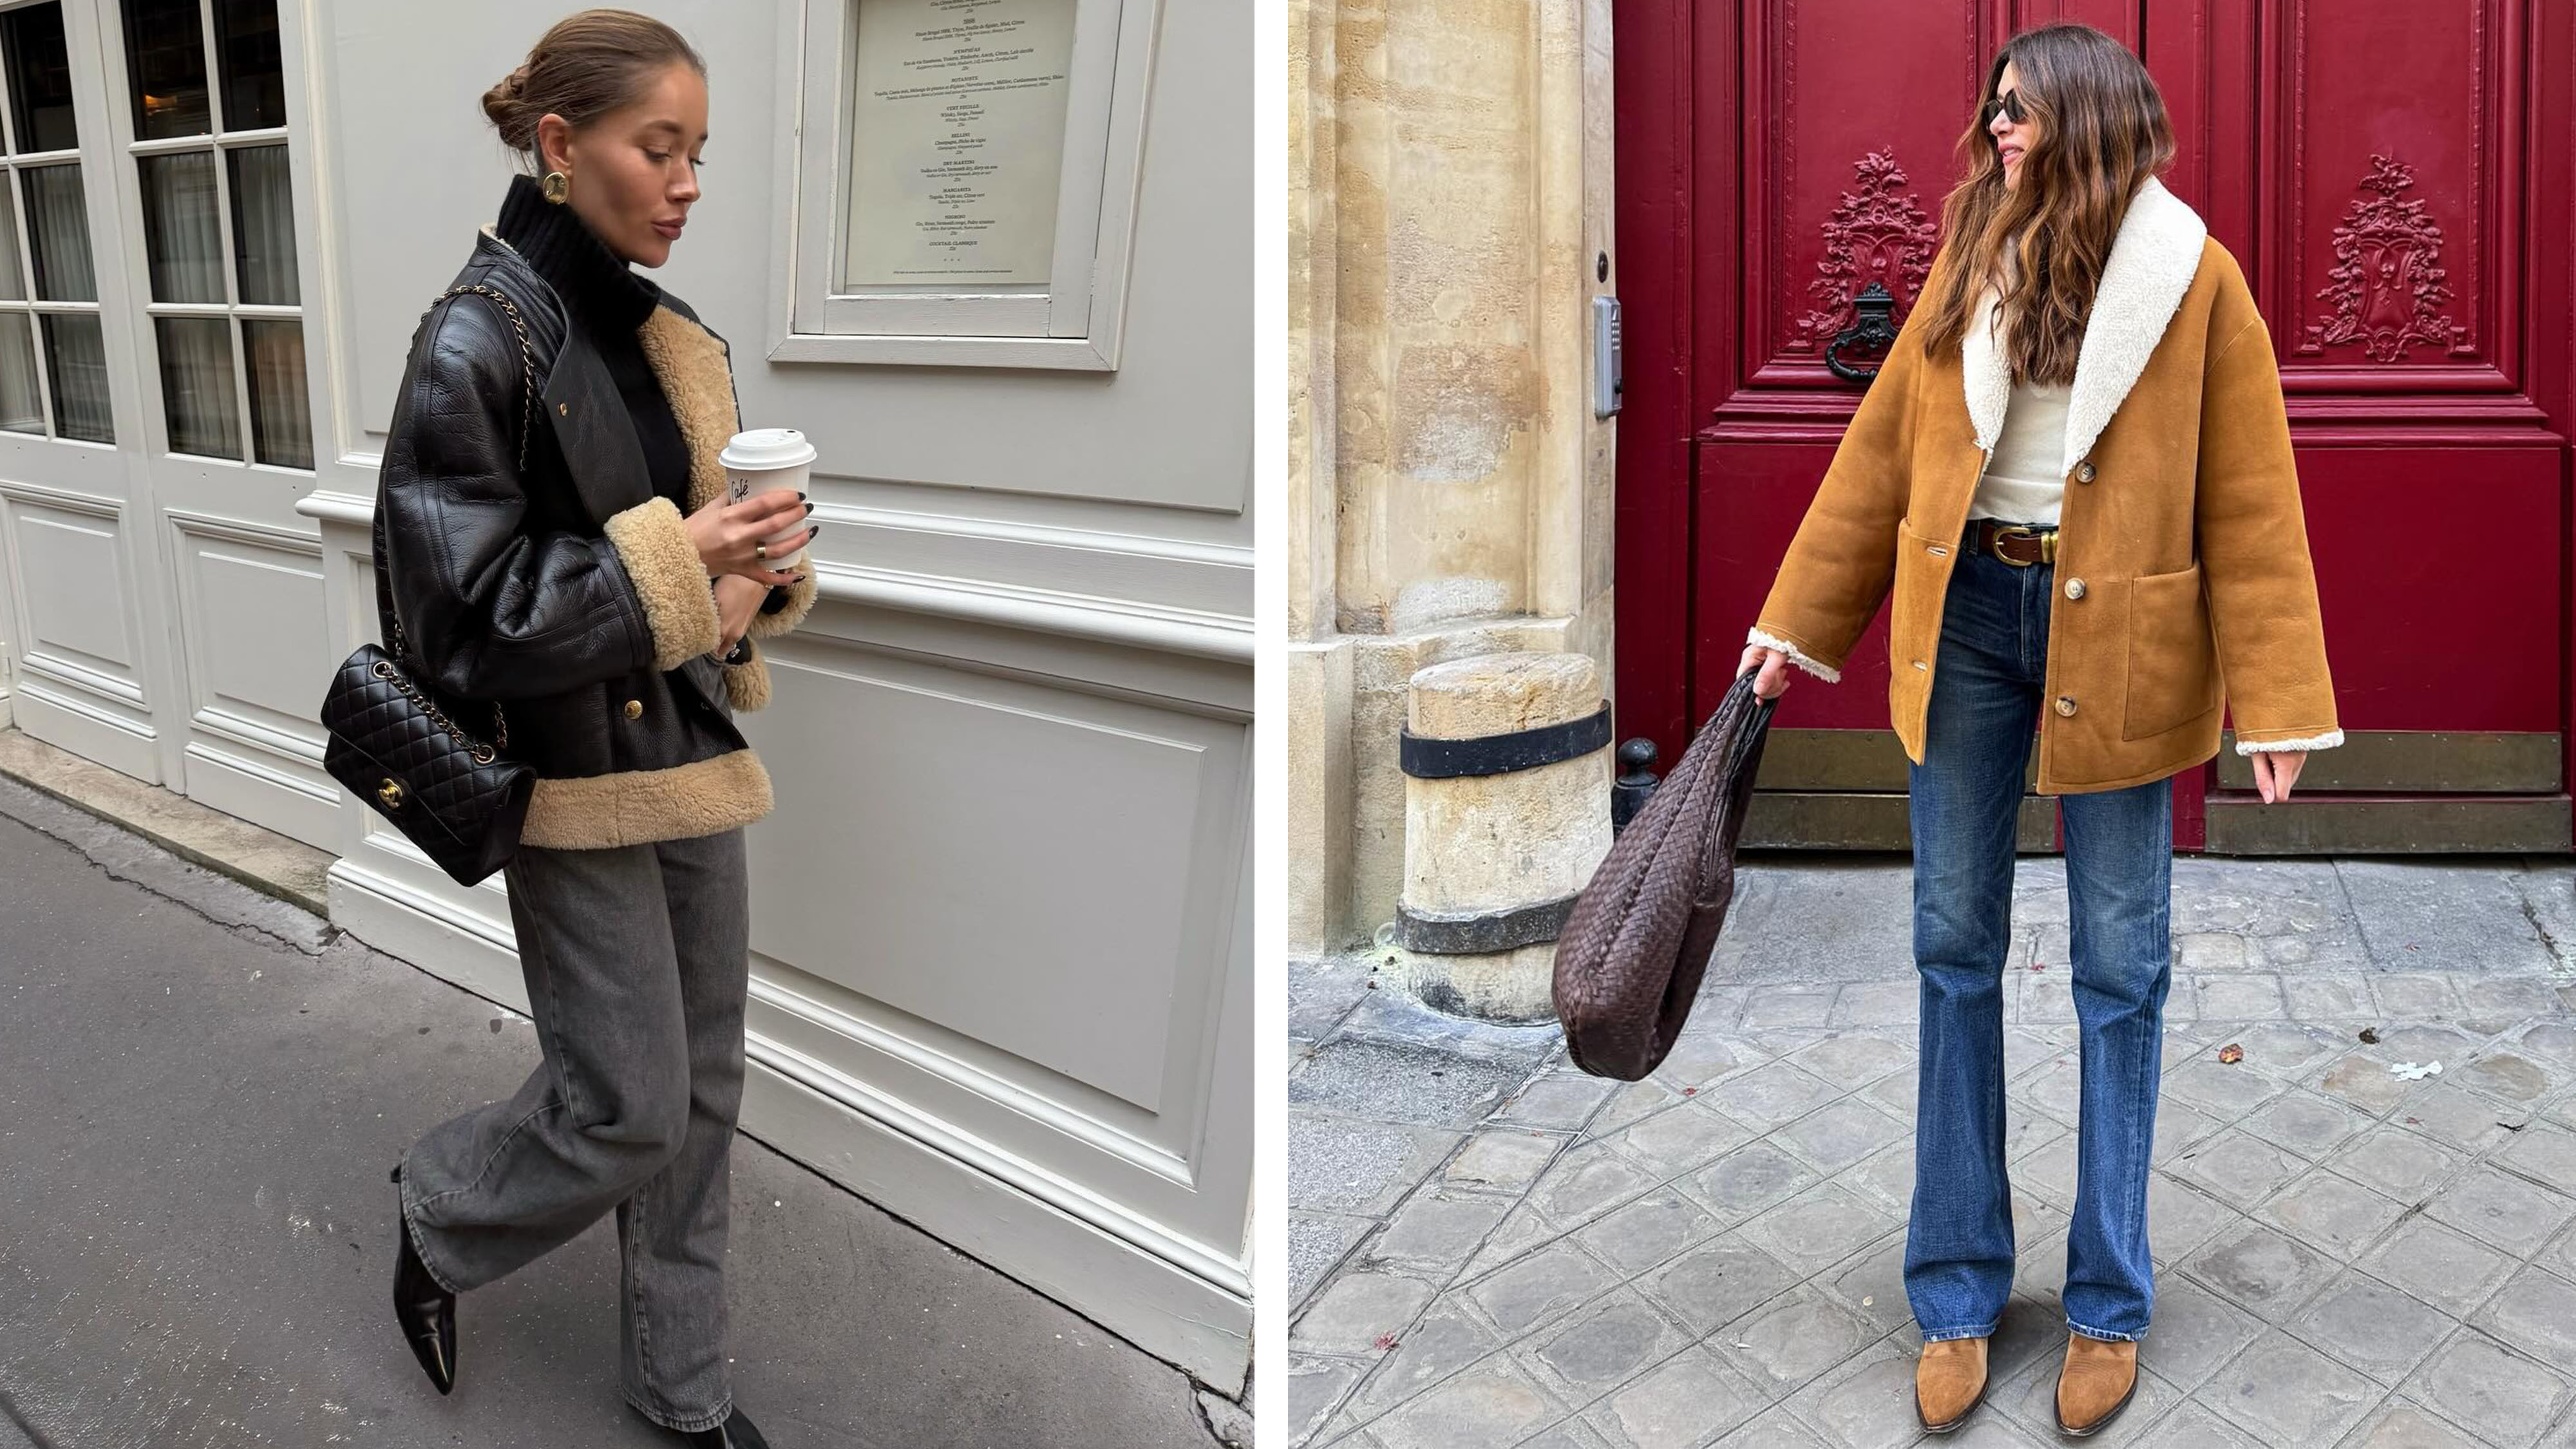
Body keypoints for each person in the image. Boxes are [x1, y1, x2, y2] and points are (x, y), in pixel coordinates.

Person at [1736, 23, 2340, 1439]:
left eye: (2018, 113)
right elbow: (1881, 451)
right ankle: (1953, 1289)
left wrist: (2279, 698)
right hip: (1965, 633)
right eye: (1992, 111)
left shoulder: (2193, 282)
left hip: (2117, 646)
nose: (1996, 131)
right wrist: (1792, 621)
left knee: (2118, 969)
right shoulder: (1969, 255)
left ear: (2086, 121)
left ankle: (2106, 1303)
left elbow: (2252, 502)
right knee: (1952, 946)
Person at [372, 11, 820, 1446]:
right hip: (565, 778)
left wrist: (755, 575)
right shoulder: (472, 342)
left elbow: (699, 575)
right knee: (624, 1104)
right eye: (658, 147)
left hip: (688, 752)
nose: (687, 183)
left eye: (699, 153)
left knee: (700, 1091)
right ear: (561, 148)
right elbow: (454, 619)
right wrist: (685, 563)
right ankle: (442, 1218)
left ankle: (682, 1392)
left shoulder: (668, 338)